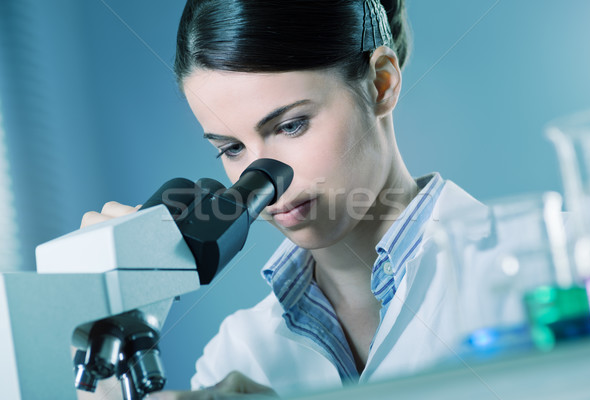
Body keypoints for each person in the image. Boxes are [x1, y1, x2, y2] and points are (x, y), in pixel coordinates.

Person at [80, 1, 537, 399]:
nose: (265, 179)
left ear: (381, 84)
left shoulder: (542, 266)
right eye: (231, 148)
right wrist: (102, 336)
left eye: (291, 125)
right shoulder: (240, 352)